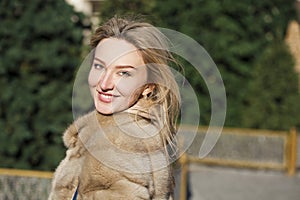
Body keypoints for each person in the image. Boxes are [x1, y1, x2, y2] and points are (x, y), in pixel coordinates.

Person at [48, 16, 181, 200]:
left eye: (123, 73)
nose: (104, 83)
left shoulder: (117, 144)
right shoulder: (144, 135)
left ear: (149, 85)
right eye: (99, 66)